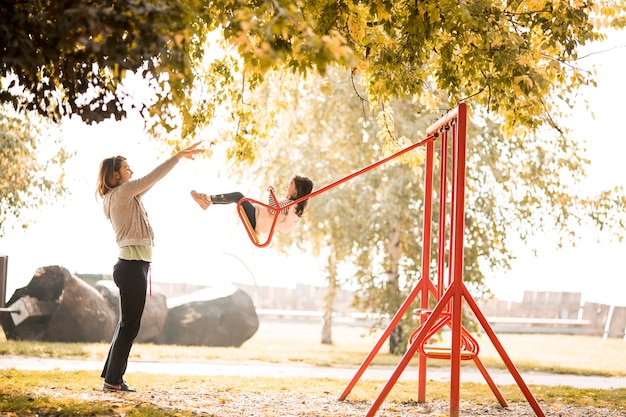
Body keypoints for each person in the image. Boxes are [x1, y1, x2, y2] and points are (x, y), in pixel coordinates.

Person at [95, 142, 204, 393]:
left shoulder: (120, 196)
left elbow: (150, 182)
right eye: (127, 168)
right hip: (132, 267)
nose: (131, 172)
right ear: (115, 175)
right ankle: (113, 380)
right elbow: (152, 177)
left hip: (132, 266)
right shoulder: (122, 193)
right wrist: (178, 156)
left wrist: (176, 160)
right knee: (130, 326)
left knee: (127, 324)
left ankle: (111, 376)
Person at [190, 175, 314, 237]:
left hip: (258, 220)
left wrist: (271, 194)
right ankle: (207, 201)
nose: (288, 185)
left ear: (297, 191)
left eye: (291, 184)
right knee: (238, 197)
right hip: (259, 220)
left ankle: (206, 200)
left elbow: (273, 211)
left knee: (238, 196)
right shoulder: (292, 206)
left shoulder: (290, 205)